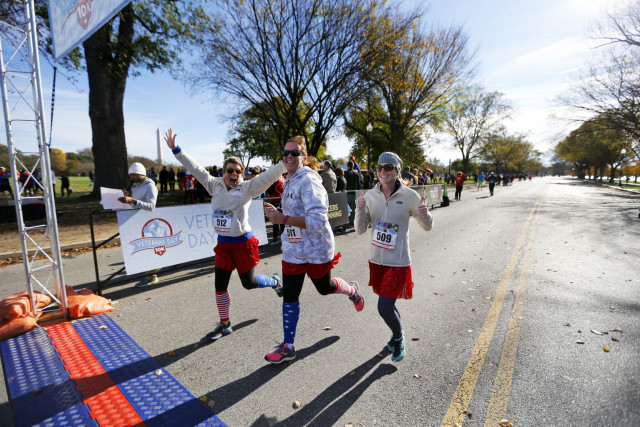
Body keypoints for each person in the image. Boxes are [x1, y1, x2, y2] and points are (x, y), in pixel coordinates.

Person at [165, 128, 286, 341]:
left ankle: (275, 282)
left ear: (242, 174)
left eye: (237, 172)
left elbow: (268, 176)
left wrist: (286, 161)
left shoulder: (248, 188)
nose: (233, 175)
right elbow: (195, 168)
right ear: (224, 172)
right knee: (220, 286)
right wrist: (176, 149)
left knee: (248, 283)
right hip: (223, 246)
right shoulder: (214, 185)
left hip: (243, 245)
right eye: (230, 170)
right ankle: (225, 323)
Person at [263, 135, 364, 364]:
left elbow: (318, 220)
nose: (289, 156)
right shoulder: (289, 178)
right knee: (289, 296)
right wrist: (277, 212)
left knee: (324, 288)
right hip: (293, 250)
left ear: (304, 157)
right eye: (285, 153)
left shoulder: (309, 179)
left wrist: (284, 218)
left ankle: (352, 291)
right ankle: (288, 346)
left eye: (294, 153)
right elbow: (295, 209)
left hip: (316, 249)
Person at [355, 152, 433, 362]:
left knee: (384, 307)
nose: (383, 171)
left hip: (397, 262)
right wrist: (359, 210)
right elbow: (361, 230)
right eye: (379, 168)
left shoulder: (410, 196)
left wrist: (425, 214)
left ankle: (398, 339)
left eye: (388, 167)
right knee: (388, 305)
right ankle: (396, 336)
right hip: (377, 261)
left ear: (397, 170)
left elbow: (427, 227)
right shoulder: (370, 196)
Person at [118, 162, 159, 287]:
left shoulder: (150, 186)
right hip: (136, 222)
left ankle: (151, 277)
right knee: (142, 250)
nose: (132, 178)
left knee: (147, 250)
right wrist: (127, 199)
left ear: (141, 174)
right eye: (130, 175)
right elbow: (135, 204)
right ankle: (152, 270)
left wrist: (133, 200)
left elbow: (151, 206)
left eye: (134, 175)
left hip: (148, 224)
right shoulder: (135, 186)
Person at [344, 160, 361, 227]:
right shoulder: (356, 174)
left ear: (347, 166)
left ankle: (345, 222)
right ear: (353, 166)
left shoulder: (345, 173)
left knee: (346, 208)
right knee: (353, 209)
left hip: (346, 193)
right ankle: (352, 222)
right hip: (354, 193)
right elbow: (359, 185)